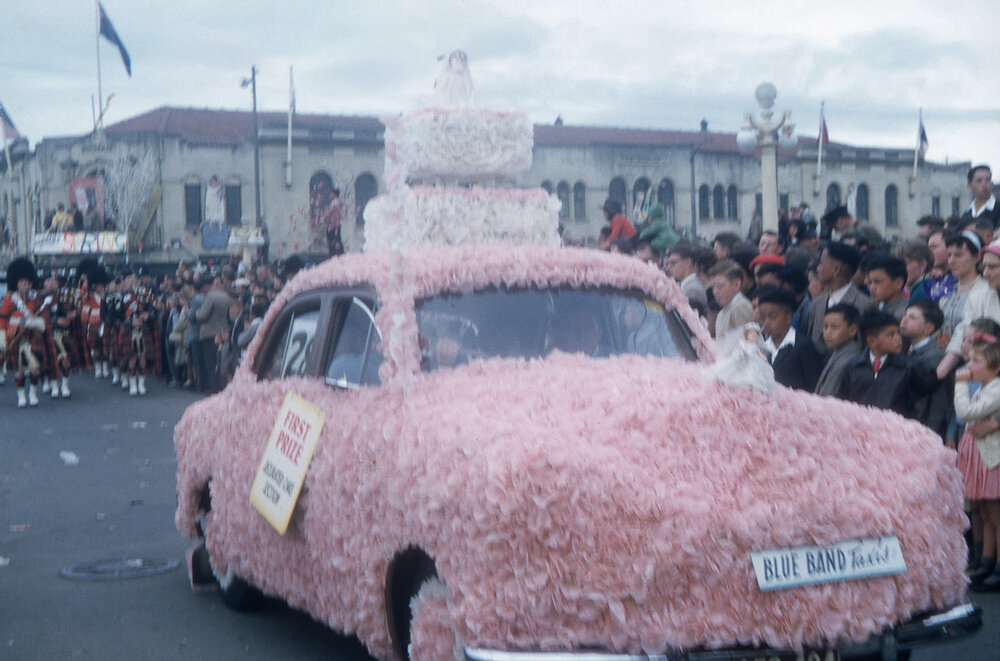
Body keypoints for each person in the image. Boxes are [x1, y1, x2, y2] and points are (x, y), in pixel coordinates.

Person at [954, 332, 1000, 591]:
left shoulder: (996, 389)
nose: (969, 366)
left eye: (976, 361)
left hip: (992, 457)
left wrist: (961, 384)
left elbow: (965, 412)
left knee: (996, 513)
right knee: (982, 511)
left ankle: (997, 567)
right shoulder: (985, 386)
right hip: (980, 454)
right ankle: (985, 561)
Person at [834, 309, 932, 418]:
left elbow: (920, 401)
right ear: (872, 341)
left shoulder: (908, 367)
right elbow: (841, 400)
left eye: (897, 333)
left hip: (895, 425)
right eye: (891, 335)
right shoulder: (853, 367)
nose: (898, 338)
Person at [936, 231, 1000, 378]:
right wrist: (939, 373)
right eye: (984, 267)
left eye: (993, 267)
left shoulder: (980, 290)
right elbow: (963, 331)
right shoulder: (980, 297)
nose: (986, 273)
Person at [805, 241, 873, 356]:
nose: (818, 269)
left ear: (836, 270)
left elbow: (863, 348)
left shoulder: (864, 305)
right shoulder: (817, 302)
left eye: (822, 264)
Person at [900, 299, 950, 440]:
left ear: (929, 328)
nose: (904, 320)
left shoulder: (932, 356)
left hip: (923, 428)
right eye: (905, 315)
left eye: (912, 317)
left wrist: (929, 433)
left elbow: (938, 400)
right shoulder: (909, 349)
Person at [757, 286, 823, 391]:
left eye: (772, 317)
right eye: (763, 318)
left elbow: (814, 384)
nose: (766, 323)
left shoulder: (803, 346)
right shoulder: (761, 347)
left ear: (789, 318)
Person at [0, 257, 46, 407]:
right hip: (15, 334)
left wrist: (37, 322)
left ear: (31, 283)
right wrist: (2, 339)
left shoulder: (36, 298)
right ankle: (21, 396)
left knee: (35, 368)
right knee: (18, 369)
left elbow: (43, 315)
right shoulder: (9, 299)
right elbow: (3, 319)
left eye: (27, 282)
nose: (25, 285)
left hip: (32, 334)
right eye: (22, 282)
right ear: (16, 283)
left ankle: (33, 393)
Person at [814, 303, 861, 397]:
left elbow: (827, 398)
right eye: (825, 326)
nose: (828, 332)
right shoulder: (838, 352)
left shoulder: (848, 360)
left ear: (852, 330)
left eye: (834, 327)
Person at [709, 259, 754, 346]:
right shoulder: (723, 311)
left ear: (736, 284)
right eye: (713, 287)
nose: (715, 292)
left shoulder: (740, 307)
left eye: (719, 286)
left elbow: (749, 344)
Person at [666, 242, 708, 315]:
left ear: (688, 262)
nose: (668, 267)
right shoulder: (685, 285)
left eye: (673, 263)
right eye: (668, 263)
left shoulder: (693, 289)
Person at [864, 253, 909, 321]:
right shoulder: (875, 308)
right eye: (870, 282)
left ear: (898, 283)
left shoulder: (901, 316)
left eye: (878, 282)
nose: (872, 288)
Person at [960, 164, 1000, 229]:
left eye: (987, 180)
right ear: (969, 185)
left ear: (992, 184)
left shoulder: (998, 209)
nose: (984, 184)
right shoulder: (967, 214)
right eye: (979, 180)